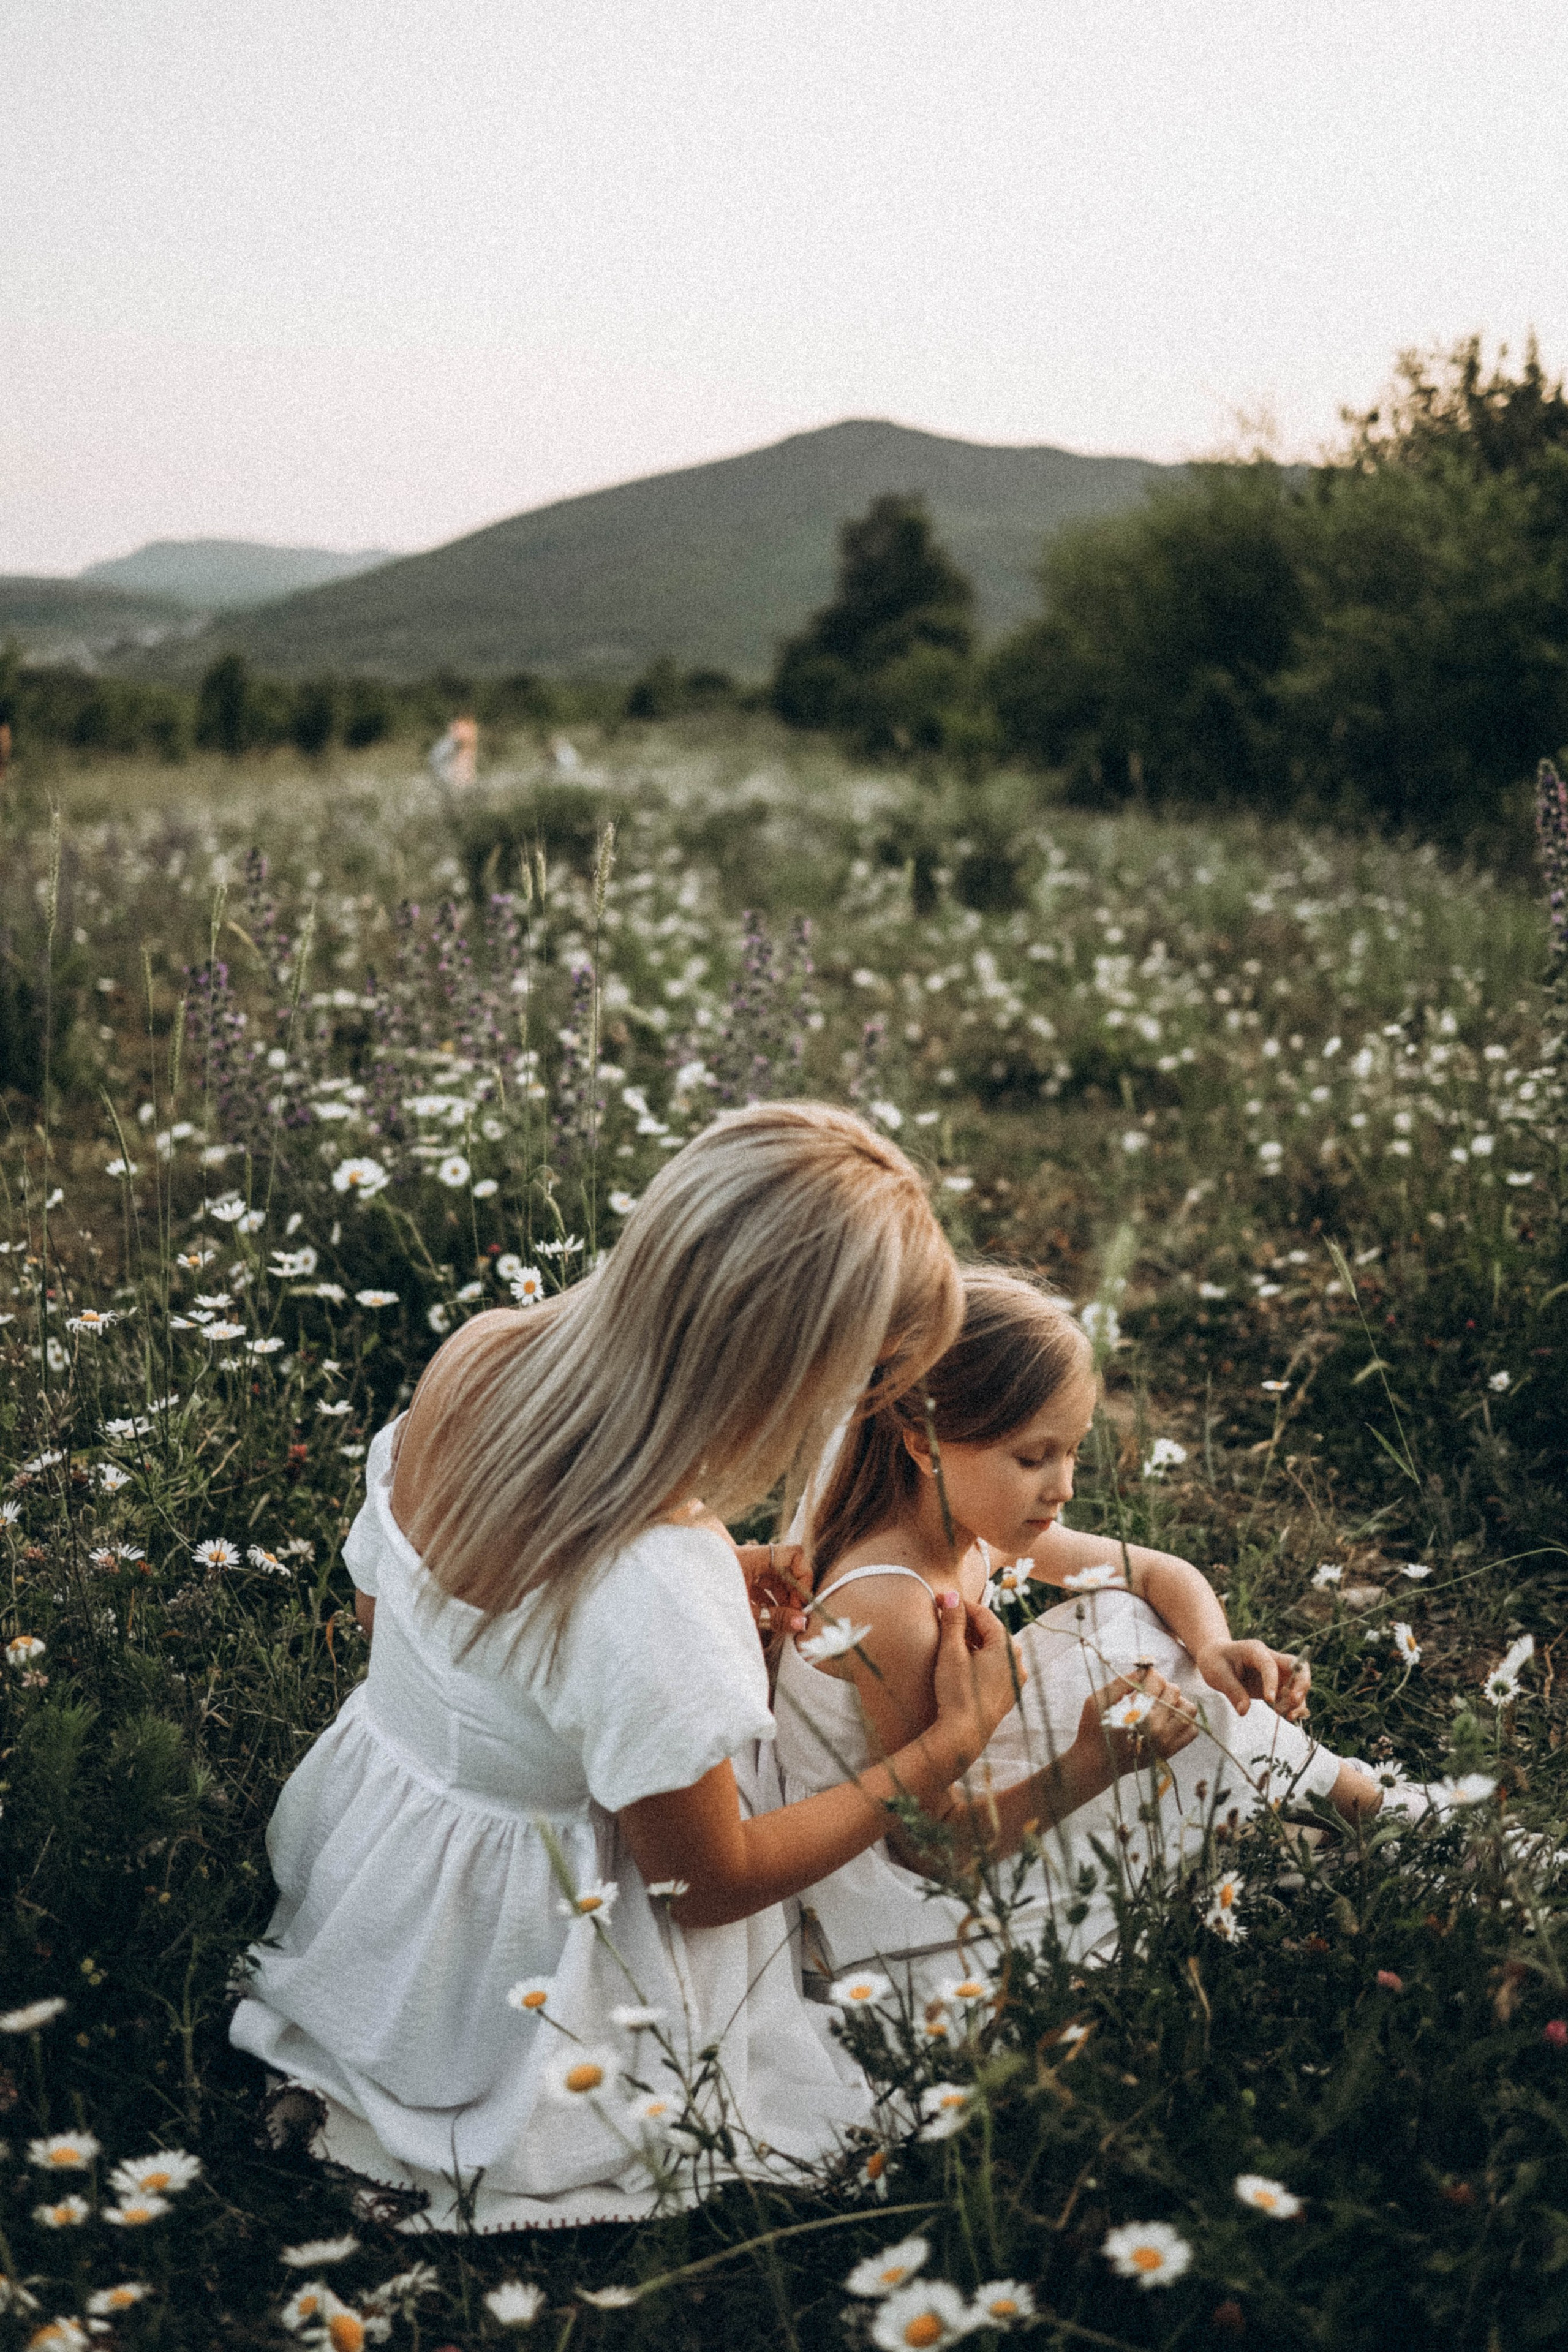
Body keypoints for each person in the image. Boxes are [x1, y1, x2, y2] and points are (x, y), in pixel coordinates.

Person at [232, 1104, 1036, 2231]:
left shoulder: (483, 1353)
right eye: (861, 1385)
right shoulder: (657, 1576)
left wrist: (668, 1624)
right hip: (527, 1957)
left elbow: (390, 1609)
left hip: (388, 1862)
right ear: (786, 1377)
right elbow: (705, 1886)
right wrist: (941, 1749)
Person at [774, 1268, 1388, 2004]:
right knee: (1199, 1713)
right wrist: (1092, 1764)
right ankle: (1367, 1813)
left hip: (951, 1774)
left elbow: (1154, 1572)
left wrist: (1213, 1649)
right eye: (1032, 1458)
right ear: (924, 1445)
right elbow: (931, 1849)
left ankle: (1334, 1806)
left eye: (1074, 1452)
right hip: (892, 1885)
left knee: (1145, 1634)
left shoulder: (960, 1524)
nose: (1063, 1487)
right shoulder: (892, 1605)